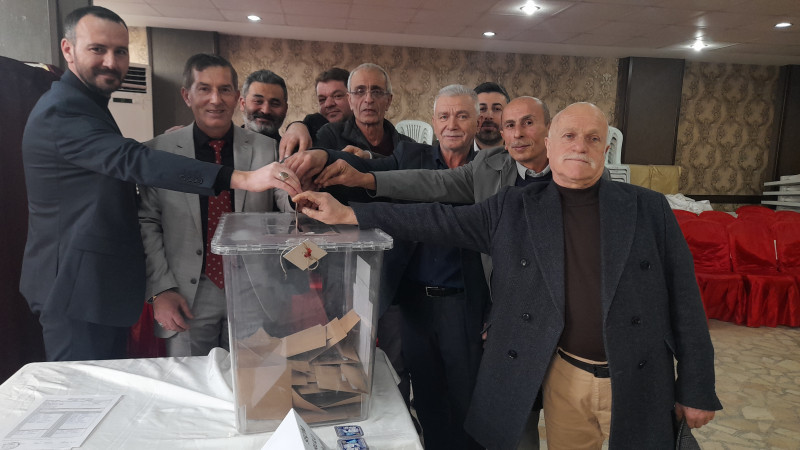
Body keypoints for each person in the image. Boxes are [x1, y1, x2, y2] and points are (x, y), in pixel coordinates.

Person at [293, 102, 722, 449]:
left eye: (593, 138)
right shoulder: (515, 207)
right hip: (563, 373)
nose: (580, 146)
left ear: (606, 148)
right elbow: (435, 218)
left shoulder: (647, 208)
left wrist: (697, 387)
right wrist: (349, 213)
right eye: (569, 136)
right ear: (550, 145)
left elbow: (685, 298)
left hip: (641, 374)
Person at [19, 6, 300, 362]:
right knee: (94, 388)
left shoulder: (90, 106)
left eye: (120, 51)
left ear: (235, 98)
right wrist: (239, 177)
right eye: (98, 49)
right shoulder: (63, 110)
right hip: (81, 288)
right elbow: (132, 163)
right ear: (68, 49)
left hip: (241, 290)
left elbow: (284, 202)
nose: (111, 61)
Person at [139, 54, 291, 357]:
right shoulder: (159, 152)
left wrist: (300, 193)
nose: (215, 99)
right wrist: (160, 290)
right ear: (187, 95)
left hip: (254, 288)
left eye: (224, 90)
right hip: (186, 293)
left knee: (253, 378)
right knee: (191, 382)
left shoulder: (267, 148)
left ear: (237, 98)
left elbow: (288, 208)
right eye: (204, 89)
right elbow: (147, 223)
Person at [315, 63, 413, 157]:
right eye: (360, 92)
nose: (368, 100)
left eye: (376, 92)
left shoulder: (409, 146)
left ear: (388, 101)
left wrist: (369, 157)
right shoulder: (329, 135)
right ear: (350, 100)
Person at [279, 67, 352, 157]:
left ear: (352, 97)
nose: (328, 104)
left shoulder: (364, 125)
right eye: (322, 99)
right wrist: (295, 125)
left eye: (337, 96)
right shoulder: (313, 124)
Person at [239, 69, 288, 142]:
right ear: (243, 104)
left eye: (275, 104)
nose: (266, 111)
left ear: (285, 109)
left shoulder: (297, 149)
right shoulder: (224, 146)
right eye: (258, 101)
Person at [474, 82, 510, 150]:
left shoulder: (522, 153)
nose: (489, 116)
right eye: (481, 109)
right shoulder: (457, 152)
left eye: (497, 109)